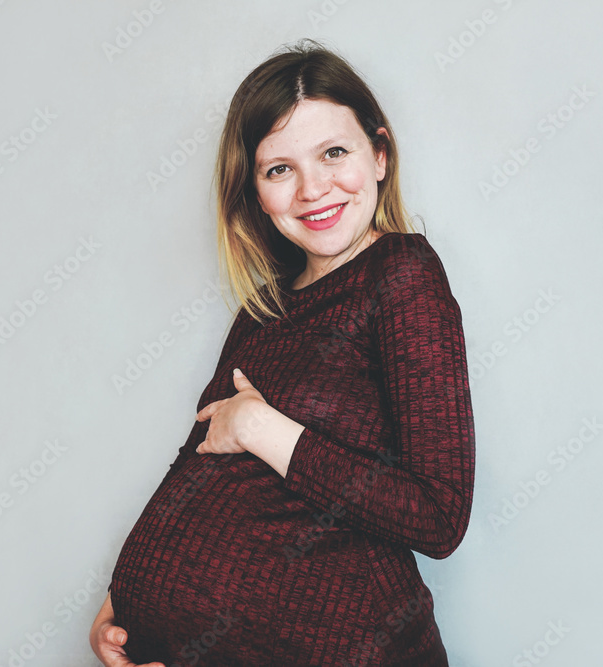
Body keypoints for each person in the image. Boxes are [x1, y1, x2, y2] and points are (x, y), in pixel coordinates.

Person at [90, 39, 475, 666]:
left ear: (379, 154)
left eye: (333, 153)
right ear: (254, 189)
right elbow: (198, 457)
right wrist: (120, 604)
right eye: (279, 169)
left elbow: (438, 515)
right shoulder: (263, 307)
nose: (312, 189)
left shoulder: (402, 275)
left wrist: (262, 428)